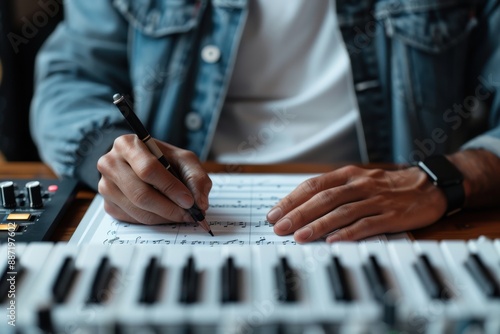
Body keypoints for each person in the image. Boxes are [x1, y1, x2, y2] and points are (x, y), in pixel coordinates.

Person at [30, 1, 500, 243]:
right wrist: (109, 151)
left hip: (401, 211)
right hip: (183, 212)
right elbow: (67, 81)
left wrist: (441, 181)